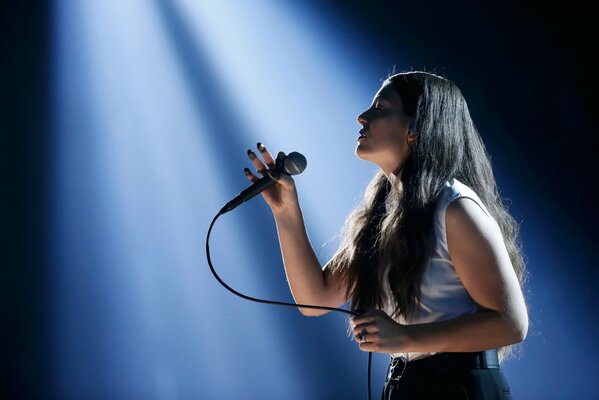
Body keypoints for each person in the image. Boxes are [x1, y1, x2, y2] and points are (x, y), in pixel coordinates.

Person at [242, 71, 529, 399]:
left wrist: (404, 338)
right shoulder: (383, 212)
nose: (362, 116)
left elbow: (511, 323)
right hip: (404, 383)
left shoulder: (456, 208)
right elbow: (315, 299)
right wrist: (286, 212)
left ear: (415, 130)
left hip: (459, 385)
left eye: (380, 108)